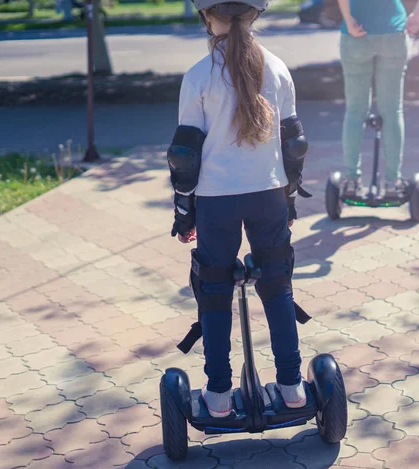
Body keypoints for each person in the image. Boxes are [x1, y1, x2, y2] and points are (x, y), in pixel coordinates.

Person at [166, 0, 312, 418]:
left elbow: (184, 156)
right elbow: (294, 146)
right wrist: (288, 199)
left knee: (214, 290)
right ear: (255, 16)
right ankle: (292, 386)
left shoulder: (198, 76)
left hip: (216, 199)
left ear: (207, 18)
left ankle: (217, 396)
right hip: (267, 193)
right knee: (277, 285)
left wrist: (183, 213)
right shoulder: (278, 68)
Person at [338, 0, 419, 196]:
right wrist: (418, 13)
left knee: (355, 110)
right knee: (392, 110)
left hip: (356, 33)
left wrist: (348, 20)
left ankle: (352, 181)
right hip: (393, 33)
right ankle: (392, 181)